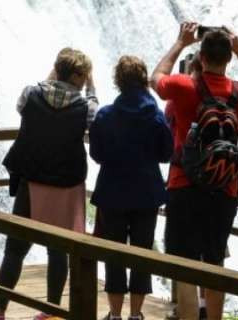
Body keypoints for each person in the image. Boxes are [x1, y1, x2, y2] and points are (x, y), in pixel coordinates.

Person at [0, 48, 98, 320]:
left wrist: (53, 75)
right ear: (81, 77)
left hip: (32, 182)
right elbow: (94, 115)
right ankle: (50, 312)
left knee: (15, 248)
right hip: (66, 185)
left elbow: (25, 104)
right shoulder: (85, 107)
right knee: (58, 252)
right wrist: (91, 84)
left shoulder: (31, 94)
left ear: (57, 69)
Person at [150, 22, 238, 320]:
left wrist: (179, 42)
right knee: (214, 263)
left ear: (200, 57)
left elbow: (156, 79)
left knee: (183, 264)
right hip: (224, 187)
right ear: (228, 59)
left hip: (183, 183)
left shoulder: (184, 86)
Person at [90, 55, 173, 320]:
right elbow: (166, 154)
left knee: (114, 253)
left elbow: (97, 154)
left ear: (118, 82)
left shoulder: (105, 115)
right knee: (141, 253)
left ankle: (115, 314)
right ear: (143, 81)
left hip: (112, 192)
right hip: (147, 193)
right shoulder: (156, 116)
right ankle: (136, 314)